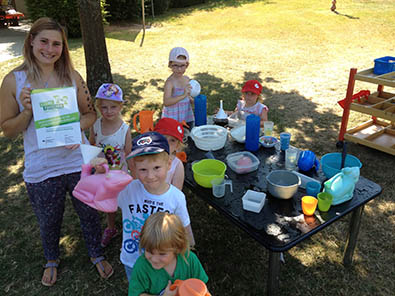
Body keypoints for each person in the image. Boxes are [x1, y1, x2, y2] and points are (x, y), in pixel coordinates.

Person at [0, 17, 113, 286]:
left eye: (57, 44)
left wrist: (75, 129)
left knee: (89, 213)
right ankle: (51, 258)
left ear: (63, 47)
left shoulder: (72, 77)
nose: (50, 49)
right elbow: (8, 130)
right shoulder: (14, 81)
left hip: (78, 160)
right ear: (31, 41)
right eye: (44, 42)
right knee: (49, 220)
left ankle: (96, 253)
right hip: (42, 167)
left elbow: (89, 114)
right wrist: (27, 110)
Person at [118, 131, 195, 282]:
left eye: (156, 168)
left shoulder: (176, 197)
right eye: (143, 170)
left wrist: (189, 249)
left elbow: (184, 228)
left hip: (163, 260)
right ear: (133, 167)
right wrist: (103, 174)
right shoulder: (128, 190)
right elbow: (101, 200)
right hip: (133, 260)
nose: (150, 176)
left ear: (169, 165)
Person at [89, 83, 132, 248]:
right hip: (102, 173)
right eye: (104, 107)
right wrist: (95, 163)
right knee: (108, 201)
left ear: (120, 106)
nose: (108, 111)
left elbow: (129, 153)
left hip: (119, 174)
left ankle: (129, 226)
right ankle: (111, 227)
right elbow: (93, 145)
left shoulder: (124, 129)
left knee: (124, 201)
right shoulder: (96, 125)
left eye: (113, 107)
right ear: (98, 106)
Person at [129, 212, 208, 296]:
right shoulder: (142, 267)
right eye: (149, 251)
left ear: (177, 248)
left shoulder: (190, 259)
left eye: (162, 254)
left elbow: (201, 288)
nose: (154, 259)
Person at [162, 47, 194, 128]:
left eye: (182, 65)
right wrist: (183, 95)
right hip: (173, 117)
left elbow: (188, 96)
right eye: (175, 65)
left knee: (187, 136)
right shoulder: (170, 82)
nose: (179, 69)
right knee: (174, 139)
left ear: (187, 65)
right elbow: (166, 101)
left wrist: (191, 99)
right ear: (170, 65)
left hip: (186, 116)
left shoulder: (187, 79)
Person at [153, 117, 185, 190]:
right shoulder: (147, 157)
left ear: (177, 146)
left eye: (172, 140)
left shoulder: (177, 165)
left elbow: (177, 192)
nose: (166, 143)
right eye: (163, 138)